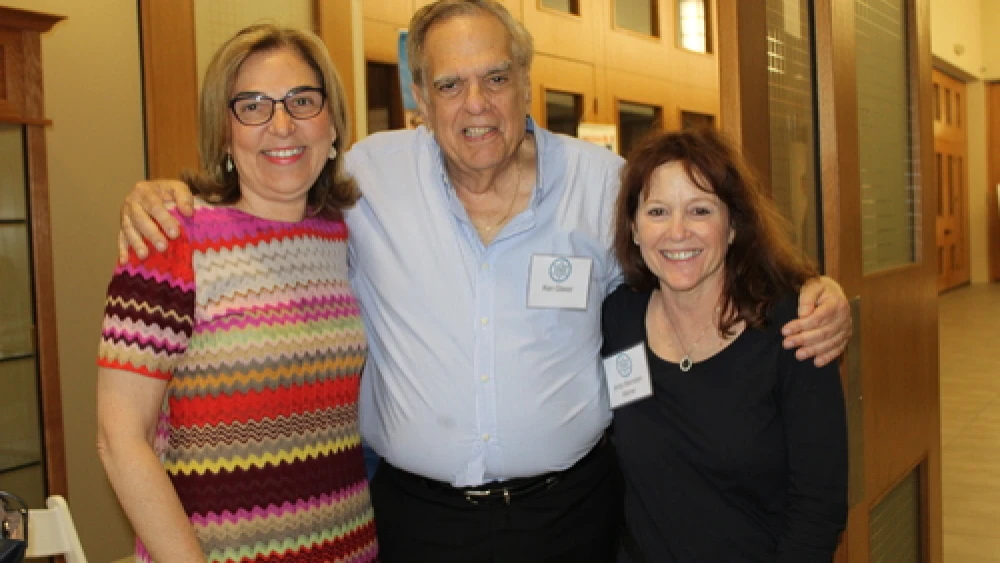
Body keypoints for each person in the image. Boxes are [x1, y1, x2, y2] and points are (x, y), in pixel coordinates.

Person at [116, 2, 851, 561]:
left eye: (497, 78)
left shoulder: (603, 186)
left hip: (574, 517)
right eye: (451, 84)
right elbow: (268, 195)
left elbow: (695, 238)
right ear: (420, 96)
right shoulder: (368, 178)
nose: (477, 105)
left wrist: (819, 289)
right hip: (417, 523)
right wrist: (169, 196)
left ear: (526, 81)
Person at [95, 25, 379, 562]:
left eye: (302, 100)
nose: (281, 124)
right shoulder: (169, 238)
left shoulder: (341, 233)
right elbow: (119, 438)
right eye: (252, 105)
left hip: (351, 548)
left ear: (333, 122)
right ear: (223, 132)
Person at [602, 128, 847, 562]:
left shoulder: (793, 331)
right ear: (634, 229)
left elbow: (818, 507)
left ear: (732, 226)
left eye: (699, 210)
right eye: (657, 211)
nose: (677, 232)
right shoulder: (617, 320)